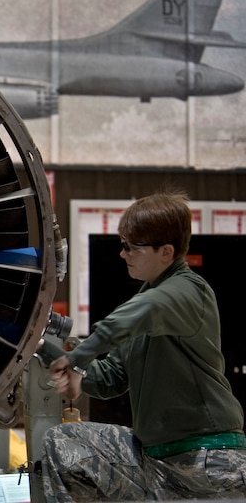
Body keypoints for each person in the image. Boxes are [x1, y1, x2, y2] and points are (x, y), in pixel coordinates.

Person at [39, 190, 246, 501]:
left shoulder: (189, 291)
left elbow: (139, 313)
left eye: (131, 247)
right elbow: (109, 380)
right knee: (65, 441)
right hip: (158, 460)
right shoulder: (144, 305)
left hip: (208, 459)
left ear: (166, 252)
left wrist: (78, 360)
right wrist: (39, 345)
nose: (122, 254)